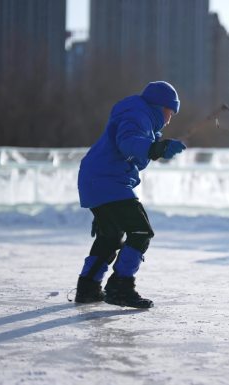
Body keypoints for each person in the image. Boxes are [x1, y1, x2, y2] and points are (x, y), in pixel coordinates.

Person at [74, 81, 186, 308]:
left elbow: (134, 148)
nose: (170, 117)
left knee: (110, 236)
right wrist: (155, 148)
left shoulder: (142, 120)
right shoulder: (137, 115)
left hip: (98, 180)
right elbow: (127, 142)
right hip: (107, 181)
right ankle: (120, 287)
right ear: (159, 105)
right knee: (141, 231)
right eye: (169, 111)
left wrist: (156, 146)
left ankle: (87, 287)